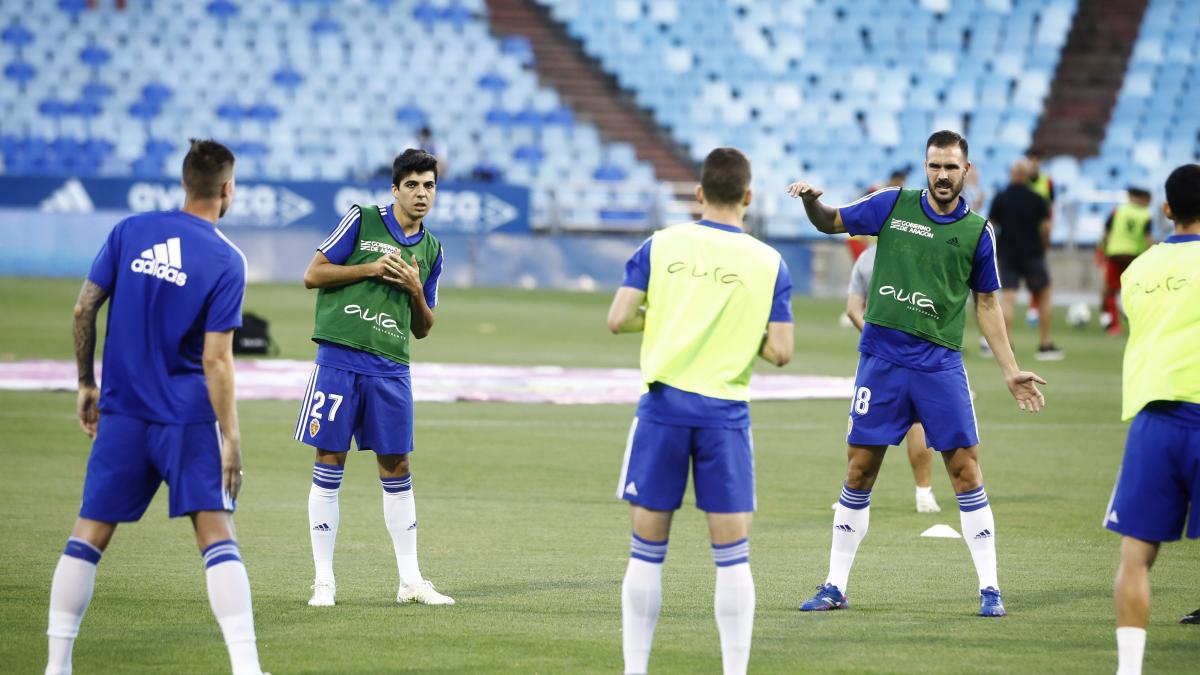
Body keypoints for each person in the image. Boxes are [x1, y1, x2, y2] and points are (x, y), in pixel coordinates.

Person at [787, 130, 1047, 618]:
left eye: (951, 167)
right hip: (881, 361)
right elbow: (832, 221)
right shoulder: (891, 204)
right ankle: (834, 585)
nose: (942, 175)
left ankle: (990, 588)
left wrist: (1010, 369)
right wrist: (812, 203)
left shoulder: (977, 232)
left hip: (940, 365)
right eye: (935, 166)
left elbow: (987, 303)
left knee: (965, 471)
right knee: (859, 469)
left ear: (966, 171)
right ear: (925, 167)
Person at [46, 139, 267, 675]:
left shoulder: (129, 231)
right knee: (216, 535)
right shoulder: (224, 258)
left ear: (185, 183)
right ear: (227, 190)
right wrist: (231, 439)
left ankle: (57, 666)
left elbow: (83, 309)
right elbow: (217, 361)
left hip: (122, 413)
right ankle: (245, 668)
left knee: (88, 534)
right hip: (186, 418)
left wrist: (85, 384)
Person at [607, 147, 794, 675]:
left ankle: (635, 669)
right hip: (725, 415)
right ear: (749, 197)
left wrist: (668, 317)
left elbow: (618, 317)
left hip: (663, 407)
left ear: (699, 194)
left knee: (646, 549)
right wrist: (737, 326)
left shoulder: (660, 244)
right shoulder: (769, 262)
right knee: (732, 554)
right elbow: (781, 351)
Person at [297, 149, 451, 607]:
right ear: (395, 189)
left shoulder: (432, 249)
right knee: (330, 460)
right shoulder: (362, 219)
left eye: (429, 186)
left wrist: (414, 289)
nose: (422, 194)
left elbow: (423, 327)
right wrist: (371, 268)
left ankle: (411, 582)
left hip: (391, 368)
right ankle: (323, 580)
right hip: (340, 360)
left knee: (398, 467)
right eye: (413, 185)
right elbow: (312, 274)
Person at [1104, 163, 1200, 675]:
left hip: (1154, 421)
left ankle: (1129, 669)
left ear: (1166, 210)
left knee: (1135, 556)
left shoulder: (1135, 270)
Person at [846, 244, 942, 513]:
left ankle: (853, 492)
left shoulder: (866, 258)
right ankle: (924, 493)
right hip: (916, 352)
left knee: (864, 427)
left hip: (877, 358)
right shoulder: (920, 252)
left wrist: (874, 337)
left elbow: (852, 308)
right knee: (917, 421)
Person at [990, 159, 1063, 360]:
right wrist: (1044, 245)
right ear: (1027, 176)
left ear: (1012, 175)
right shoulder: (1038, 199)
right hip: (1032, 254)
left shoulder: (1000, 198)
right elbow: (1046, 228)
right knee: (1044, 295)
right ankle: (1045, 345)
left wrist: (995, 248)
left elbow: (991, 226)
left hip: (1008, 254)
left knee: (1008, 298)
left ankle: (1007, 346)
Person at [1098, 187, 1154, 336]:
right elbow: (1148, 239)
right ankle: (1137, 324)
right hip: (1134, 256)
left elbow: (1105, 233)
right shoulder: (1146, 215)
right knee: (1136, 290)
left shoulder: (1118, 211)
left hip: (1115, 253)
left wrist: (1104, 250)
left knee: (1110, 290)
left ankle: (1114, 326)